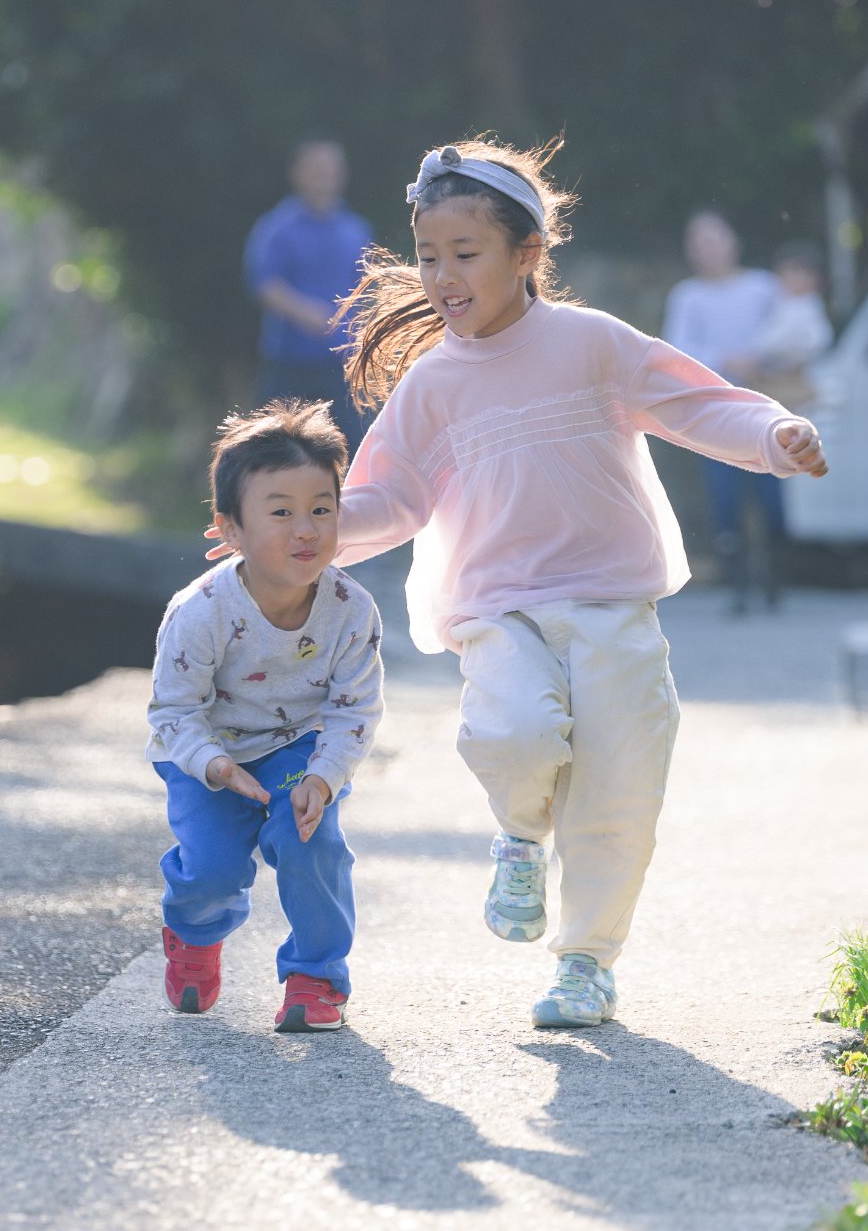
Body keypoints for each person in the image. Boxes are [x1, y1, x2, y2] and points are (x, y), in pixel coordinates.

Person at [328, 139, 825, 1029]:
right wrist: (307, 535)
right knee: (516, 732)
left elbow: (697, 400)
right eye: (429, 256)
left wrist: (773, 433)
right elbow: (386, 496)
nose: (441, 277)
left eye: (464, 255)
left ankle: (587, 961)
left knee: (618, 790)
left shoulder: (592, 343)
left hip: (610, 603)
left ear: (528, 254)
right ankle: (520, 833)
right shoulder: (433, 382)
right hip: (495, 608)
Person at [148, 399, 384, 1033]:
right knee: (212, 868)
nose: (305, 529)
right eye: (280, 512)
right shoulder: (201, 612)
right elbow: (173, 710)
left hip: (296, 748)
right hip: (208, 752)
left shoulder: (350, 610)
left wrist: (324, 776)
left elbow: (353, 706)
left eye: (321, 510)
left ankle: (316, 977)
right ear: (230, 529)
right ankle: (194, 933)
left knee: (313, 842)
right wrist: (215, 767)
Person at [661, 211, 792, 613]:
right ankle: (737, 587)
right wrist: (728, 360)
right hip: (714, 415)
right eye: (699, 241)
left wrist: (762, 361)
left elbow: (791, 334)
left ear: (733, 240)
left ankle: (775, 581)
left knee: (773, 501)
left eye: (714, 238)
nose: (709, 248)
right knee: (726, 503)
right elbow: (675, 351)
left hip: (767, 409)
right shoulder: (687, 296)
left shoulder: (764, 288)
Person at [243, 139, 374, 446]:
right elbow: (263, 283)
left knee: (352, 453)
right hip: (290, 365)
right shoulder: (277, 227)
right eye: (317, 168)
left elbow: (368, 288)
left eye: (332, 169)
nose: (325, 175)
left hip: (342, 368)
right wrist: (304, 312)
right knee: (277, 453)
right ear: (297, 172)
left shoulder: (356, 230)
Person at [736, 241, 835, 416]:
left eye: (796, 273)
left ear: (812, 278)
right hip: (773, 377)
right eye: (785, 272)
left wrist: (756, 356)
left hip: (793, 380)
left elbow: (815, 341)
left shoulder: (805, 307)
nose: (789, 278)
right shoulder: (785, 303)